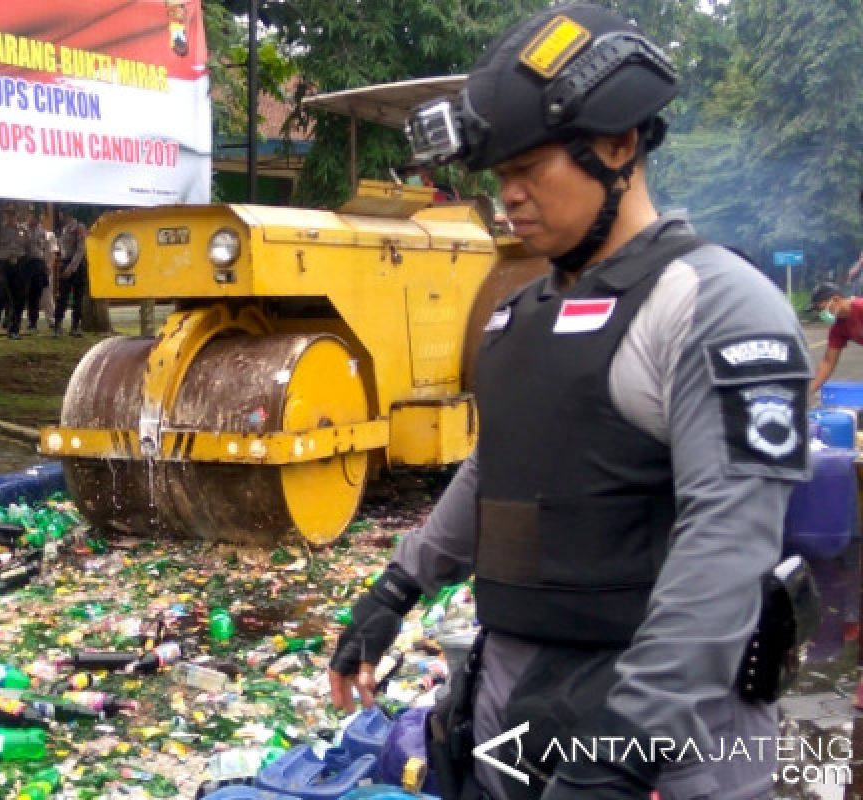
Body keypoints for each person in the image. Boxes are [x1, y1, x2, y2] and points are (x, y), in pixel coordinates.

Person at [330, 6, 812, 800]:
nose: (509, 198)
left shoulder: (715, 307)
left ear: (618, 145)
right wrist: (396, 590)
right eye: (498, 178)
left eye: (530, 170)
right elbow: (497, 471)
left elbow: (727, 544)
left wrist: (628, 749)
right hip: (521, 711)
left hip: (667, 734)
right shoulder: (521, 316)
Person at [808, 281, 863, 401]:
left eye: (820, 308)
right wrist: (807, 393)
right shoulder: (838, 327)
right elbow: (828, 363)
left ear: (836, 299)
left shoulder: (860, 307)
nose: (820, 313)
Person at [0, 205, 28, 341]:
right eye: (8, 215)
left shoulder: (23, 230)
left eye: (13, 215)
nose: (10, 217)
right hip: (3, 264)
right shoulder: (0, 230)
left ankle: (14, 330)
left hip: (19, 264)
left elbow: (28, 247)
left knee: (18, 298)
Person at [53, 212, 88, 338]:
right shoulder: (62, 229)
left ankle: (75, 327)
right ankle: (57, 325)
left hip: (76, 265)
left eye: (62, 213)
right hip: (65, 262)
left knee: (77, 298)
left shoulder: (79, 227)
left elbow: (80, 250)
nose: (60, 215)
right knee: (62, 297)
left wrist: (71, 268)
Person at [24, 213, 51, 333]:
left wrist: (47, 265)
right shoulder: (22, 229)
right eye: (33, 216)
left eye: (37, 217)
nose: (35, 219)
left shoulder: (43, 232)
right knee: (21, 293)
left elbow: (46, 249)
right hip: (25, 263)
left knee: (36, 294)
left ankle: (33, 322)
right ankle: (12, 321)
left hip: (38, 264)